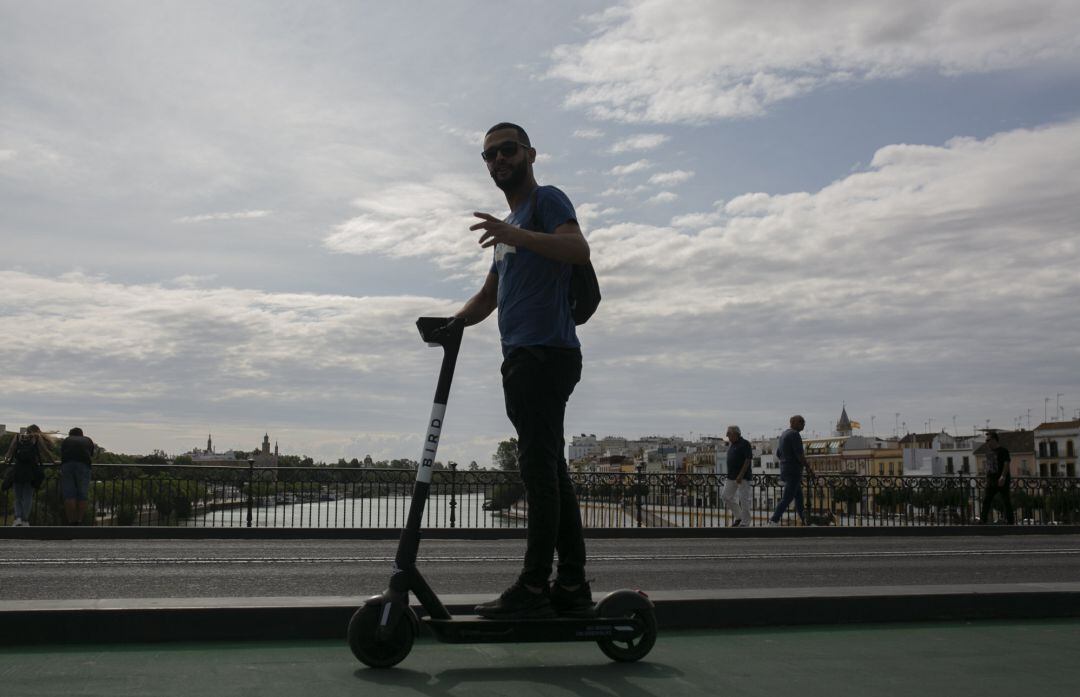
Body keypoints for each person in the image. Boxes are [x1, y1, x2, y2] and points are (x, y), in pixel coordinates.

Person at [453, 122, 592, 619]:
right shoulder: (508, 230)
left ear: (529, 153)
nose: (497, 160)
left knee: (538, 471)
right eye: (488, 155)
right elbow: (490, 296)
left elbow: (578, 250)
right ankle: (572, 584)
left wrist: (517, 233)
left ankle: (533, 587)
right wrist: (453, 322)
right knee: (550, 469)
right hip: (520, 357)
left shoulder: (546, 201)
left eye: (506, 150)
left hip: (546, 353)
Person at [2, 425, 52, 526]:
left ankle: (17, 518)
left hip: (18, 469)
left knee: (18, 497)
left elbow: (10, 450)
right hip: (31, 470)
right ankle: (25, 520)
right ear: (37, 431)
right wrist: (53, 461)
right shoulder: (36, 438)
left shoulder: (18, 437)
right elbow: (45, 452)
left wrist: (6, 459)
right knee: (28, 496)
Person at [769, 415, 813, 526]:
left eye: (804, 422)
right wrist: (809, 469)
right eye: (801, 422)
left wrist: (785, 461)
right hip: (793, 471)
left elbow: (779, 453)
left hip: (785, 470)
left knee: (799, 496)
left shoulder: (784, 434)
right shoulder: (794, 434)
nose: (803, 424)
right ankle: (774, 520)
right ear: (792, 422)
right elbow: (800, 455)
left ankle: (804, 520)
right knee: (787, 498)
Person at [60, 427, 96, 525]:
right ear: (82, 434)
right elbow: (91, 455)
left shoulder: (66, 440)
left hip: (67, 465)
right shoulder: (88, 440)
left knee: (69, 494)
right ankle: (79, 521)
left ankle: (71, 521)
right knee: (82, 494)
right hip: (84, 465)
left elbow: (62, 453)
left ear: (70, 434)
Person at [721, 425, 753, 527]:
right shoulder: (732, 444)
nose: (727, 435)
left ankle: (745, 522)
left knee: (744, 499)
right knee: (726, 496)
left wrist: (741, 475)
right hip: (731, 477)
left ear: (736, 433)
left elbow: (748, 460)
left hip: (742, 477)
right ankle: (739, 517)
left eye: (728, 433)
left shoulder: (745, 444)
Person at [980, 431, 1014, 525]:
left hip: (1002, 481)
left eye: (988, 440)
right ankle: (983, 520)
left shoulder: (1003, 451)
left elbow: (1006, 464)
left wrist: (1002, 476)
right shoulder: (989, 452)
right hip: (991, 481)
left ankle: (1010, 522)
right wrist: (986, 478)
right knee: (986, 500)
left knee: (1006, 501)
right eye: (986, 441)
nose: (986, 442)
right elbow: (989, 467)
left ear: (994, 440)